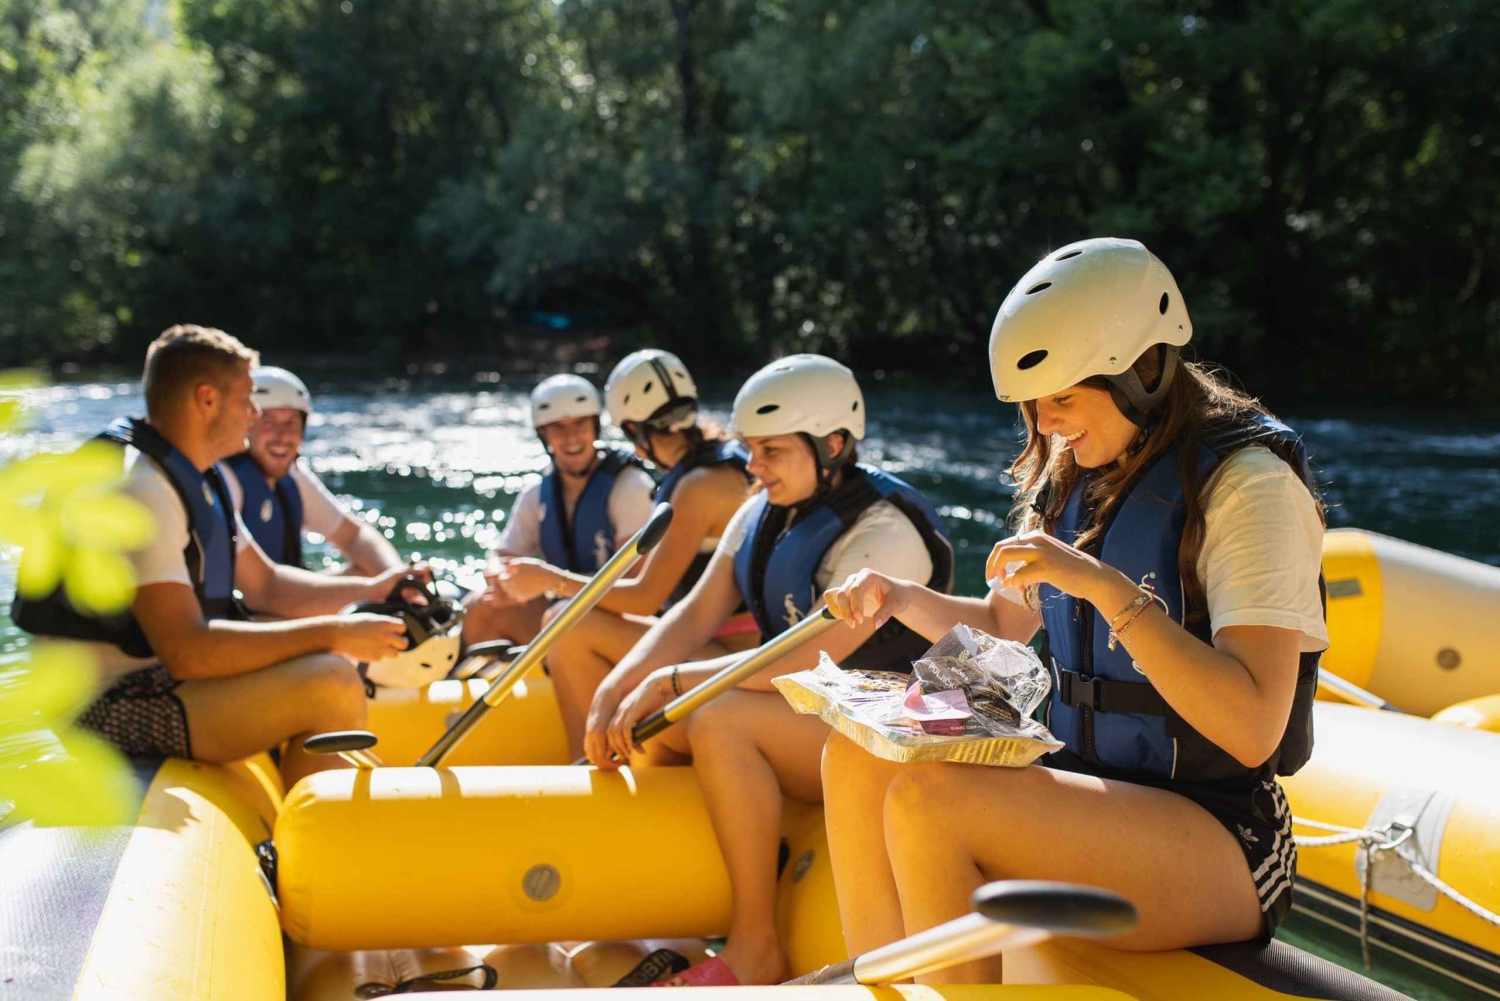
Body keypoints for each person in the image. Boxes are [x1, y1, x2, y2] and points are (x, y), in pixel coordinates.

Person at [819, 238, 1328, 983]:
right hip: (1091, 787)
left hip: (1223, 833)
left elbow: (1253, 728)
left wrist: (1104, 588)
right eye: (1035, 405)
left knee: (932, 803)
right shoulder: (1077, 474)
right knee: (857, 757)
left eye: (1062, 398)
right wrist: (897, 596)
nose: (1047, 422)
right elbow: (1000, 623)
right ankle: (881, 988)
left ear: (1142, 371)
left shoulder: (1249, 488)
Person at [587, 355, 954, 985]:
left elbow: (807, 657)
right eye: (749, 450)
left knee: (718, 717)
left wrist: (671, 680)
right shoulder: (761, 510)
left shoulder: (885, 531)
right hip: (814, 719)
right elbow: (692, 618)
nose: (752, 468)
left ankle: (755, 944)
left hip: (883, 738)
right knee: (653, 714)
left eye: (771, 451)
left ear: (833, 444)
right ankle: (673, 910)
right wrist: (618, 686)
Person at [12, 325, 423, 787]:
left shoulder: (192, 475)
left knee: (308, 647)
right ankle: (322, 838)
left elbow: (268, 585)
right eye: (247, 400)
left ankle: (304, 810)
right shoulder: (141, 488)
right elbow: (186, 651)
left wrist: (377, 588)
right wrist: (334, 633)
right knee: (330, 679)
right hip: (99, 707)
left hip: (151, 679)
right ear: (206, 400)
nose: (253, 413)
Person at [496, 350, 758, 757]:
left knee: (566, 624)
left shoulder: (698, 486)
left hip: (736, 658)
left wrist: (551, 579)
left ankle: (584, 764)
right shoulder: (722, 461)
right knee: (574, 617)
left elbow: (644, 597)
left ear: (636, 429)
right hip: (729, 649)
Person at [462, 374, 657, 648]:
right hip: (563, 610)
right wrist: (501, 578)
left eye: (580, 423)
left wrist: (549, 583)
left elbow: (636, 581)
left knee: (559, 615)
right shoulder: (537, 493)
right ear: (544, 435)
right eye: (557, 427)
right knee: (482, 604)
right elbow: (503, 555)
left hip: (623, 622)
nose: (571, 437)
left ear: (595, 426)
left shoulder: (631, 487)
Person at [219, 365, 404, 577]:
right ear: (245, 426)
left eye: (292, 423)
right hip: (249, 605)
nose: (282, 436)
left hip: (280, 596)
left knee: (374, 573)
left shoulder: (293, 477)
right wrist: (378, 589)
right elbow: (262, 590)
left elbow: (354, 536)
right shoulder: (224, 480)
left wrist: (397, 576)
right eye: (268, 422)